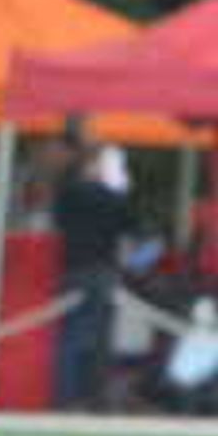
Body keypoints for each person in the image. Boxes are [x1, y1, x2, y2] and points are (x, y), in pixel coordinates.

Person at [50, 139, 132, 414]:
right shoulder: (110, 196)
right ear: (94, 165)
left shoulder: (66, 193)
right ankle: (93, 398)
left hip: (72, 270)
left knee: (69, 338)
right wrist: (120, 190)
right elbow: (126, 225)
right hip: (100, 272)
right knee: (96, 339)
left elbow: (58, 223)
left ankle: (64, 398)